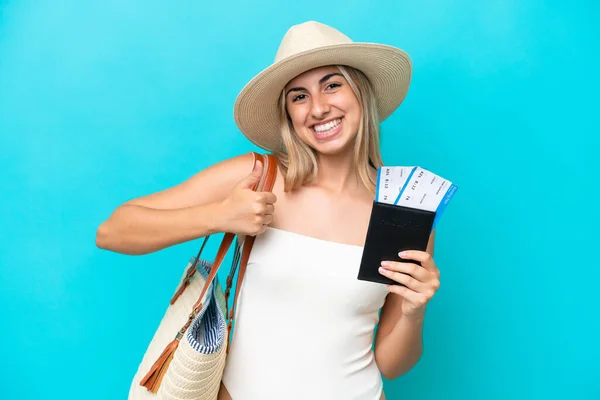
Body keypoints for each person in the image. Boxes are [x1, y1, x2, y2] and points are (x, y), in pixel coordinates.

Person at [96, 21, 441, 400]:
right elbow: (113, 231)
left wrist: (413, 310)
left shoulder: (403, 207)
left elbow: (392, 364)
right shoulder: (259, 176)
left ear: (361, 93)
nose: (319, 108)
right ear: (288, 114)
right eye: (299, 96)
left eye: (332, 85)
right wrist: (219, 216)